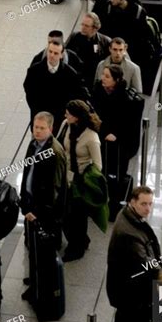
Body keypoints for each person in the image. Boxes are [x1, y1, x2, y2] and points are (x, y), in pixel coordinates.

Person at [107, 186, 162, 322]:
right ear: (132, 202)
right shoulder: (129, 234)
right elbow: (145, 264)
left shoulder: (126, 215)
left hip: (125, 288)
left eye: (150, 204)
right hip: (131, 292)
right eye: (144, 204)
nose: (148, 209)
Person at [92, 65, 143, 217]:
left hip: (120, 145)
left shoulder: (126, 98)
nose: (103, 78)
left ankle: (114, 206)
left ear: (117, 80)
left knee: (116, 175)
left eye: (107, 76)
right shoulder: (98, 91)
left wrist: (116, 134)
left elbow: (130, 124)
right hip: (101, 139)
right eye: (103, 75)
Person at [57, 100, 103, 262]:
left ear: (76, 117)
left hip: (80, 181)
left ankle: (76, 247)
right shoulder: (66, 125)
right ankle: (81, 240)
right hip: (65, 176)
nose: (65, 115)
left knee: (77, 216)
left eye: (68, 114)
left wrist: (85, 179)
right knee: (65, 213)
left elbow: (98, 165)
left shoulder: (91, 137)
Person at [20, 111, 67, 261]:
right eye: (35, 127)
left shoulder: (55, 152)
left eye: (42, 128)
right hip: (30, 202)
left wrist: (41, 213)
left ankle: (42, 282)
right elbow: (27, 172)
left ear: (51, 129)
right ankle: (35, 277)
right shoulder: (33, 144)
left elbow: (55, 187)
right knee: (32, 245)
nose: (38, 131)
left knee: (44, 249)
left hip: (44, 211)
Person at [23, 40, 89, 133]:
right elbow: (29, 92)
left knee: (54, 147)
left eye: (56, 53)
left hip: (59, 120)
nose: (52, 55)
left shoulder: (70, 74)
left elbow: (75, 94)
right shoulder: (34, 71)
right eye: (50, 51)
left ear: (61, 55)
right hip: (40, 118)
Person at [66, 13, 111, 88]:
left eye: (86, 26)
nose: (83, 28)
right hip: (75, 76)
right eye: (82, 24)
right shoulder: (74, 37)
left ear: (95, 28)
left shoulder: (105, 41)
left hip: (92, 79)